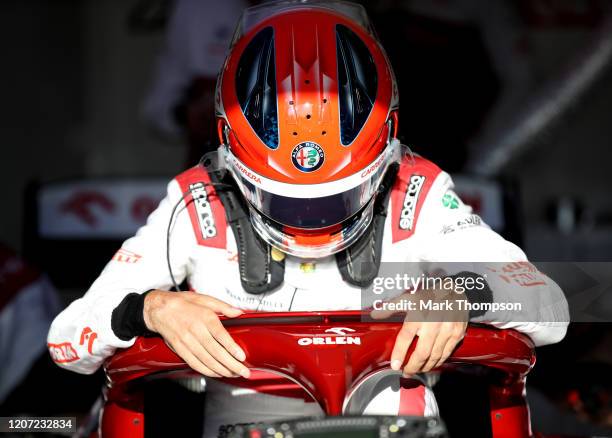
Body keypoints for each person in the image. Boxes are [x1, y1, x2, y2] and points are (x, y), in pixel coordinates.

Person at [48, 1, 569, 436]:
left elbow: (556, 305)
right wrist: (151, 310)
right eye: (286, 200)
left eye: (336, 199)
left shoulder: (418, 190)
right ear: (231, 159)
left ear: (386, 154)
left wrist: (456, 293)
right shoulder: (197, 202)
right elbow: (66, 339)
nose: (311, 222)